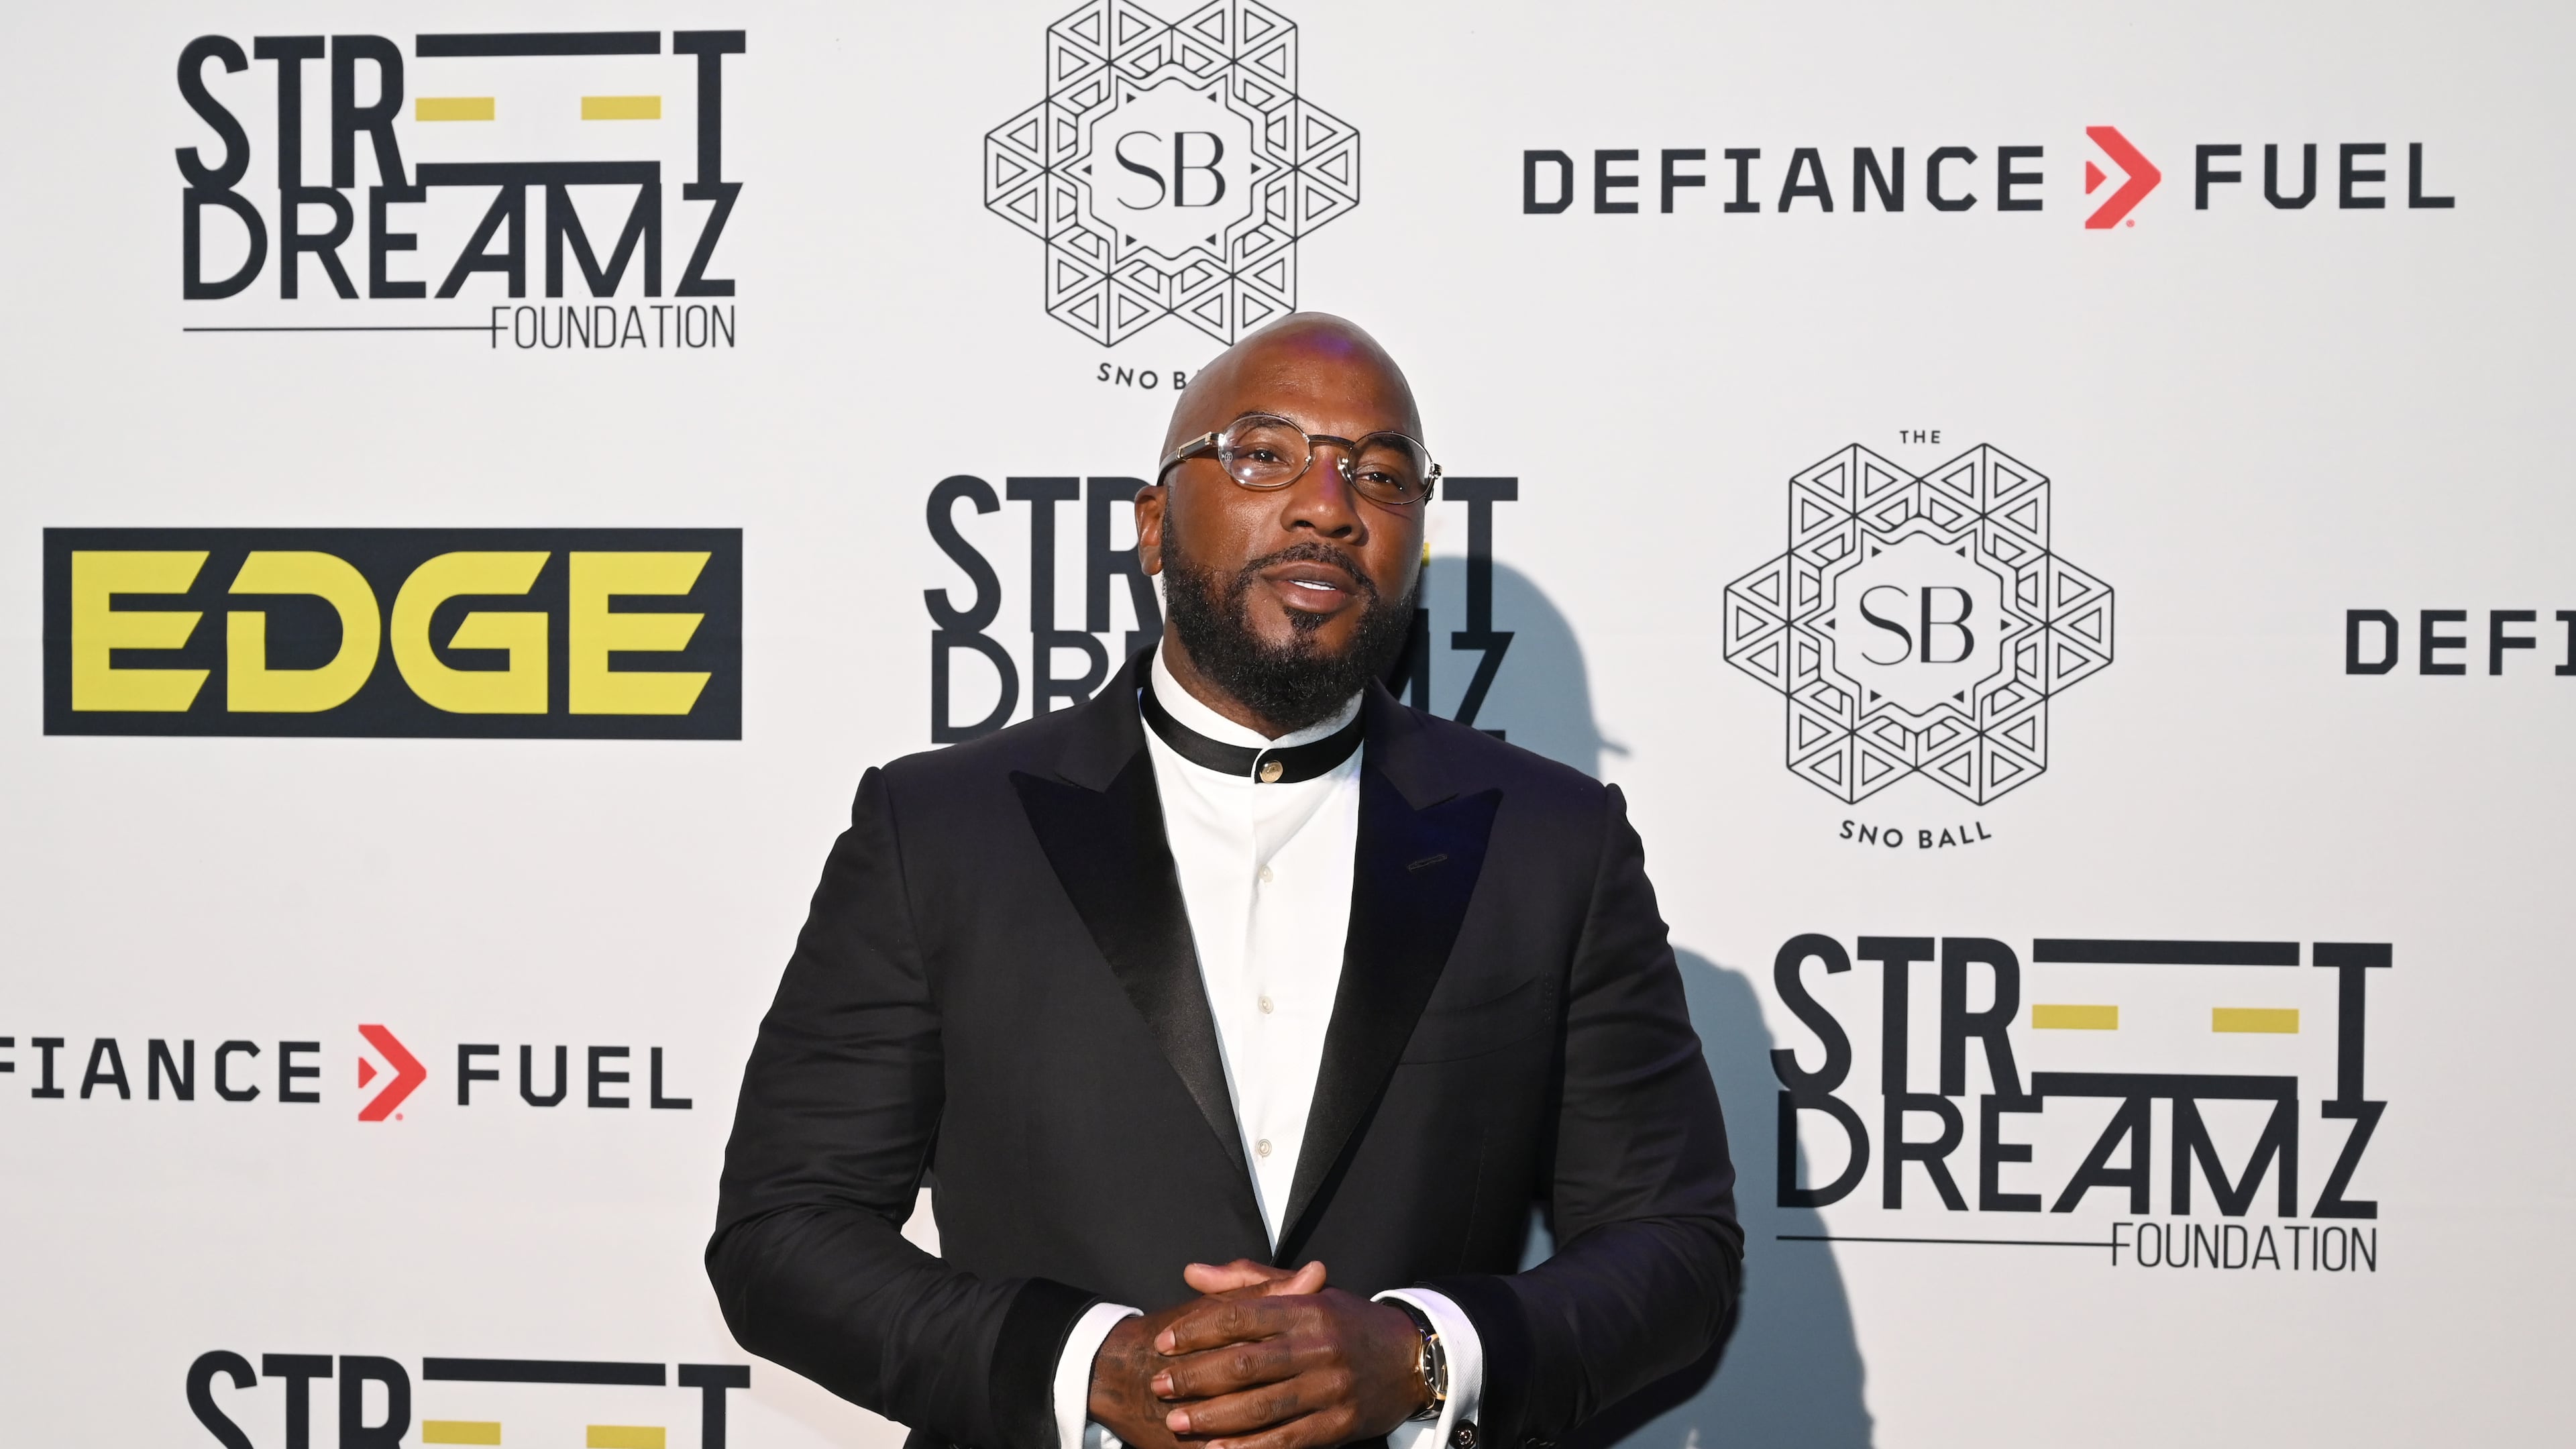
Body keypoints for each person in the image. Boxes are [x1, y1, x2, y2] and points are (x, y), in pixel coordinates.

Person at [708, 313, 1739, 1449]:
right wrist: (1089, 1366)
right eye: (1262, 453)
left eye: (1381, 475)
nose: (1328, 505)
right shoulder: (940, 829)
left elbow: (1675, 1247)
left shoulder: (1554, 844)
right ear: (1153, 524)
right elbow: (783, 1232)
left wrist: (1418, 1356)